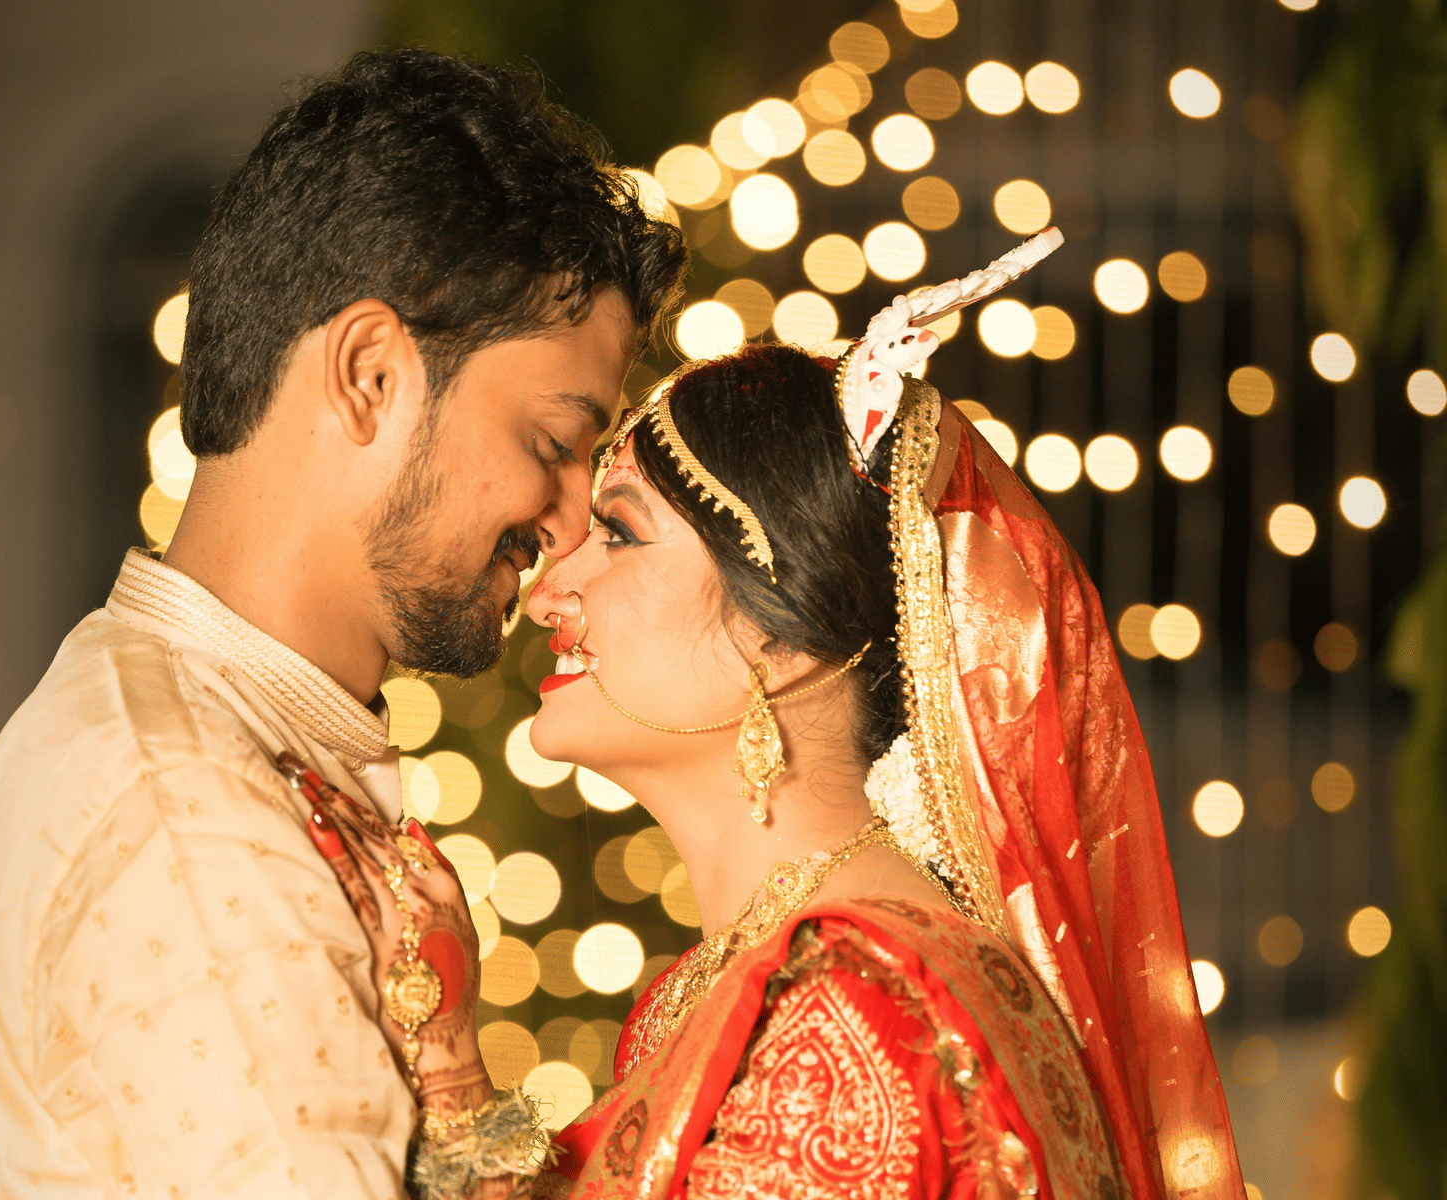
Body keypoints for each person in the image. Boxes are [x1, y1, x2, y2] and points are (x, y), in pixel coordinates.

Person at [0, 47, 686, 1199]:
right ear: (370, 374)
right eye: (550, 444)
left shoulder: (235, 740)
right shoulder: (183, 807)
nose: (571, 524)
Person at [329, 239, 1246, 1198]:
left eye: (621, 531)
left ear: (783, 637)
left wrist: (446, 1072)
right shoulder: (750, 987)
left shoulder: (866, 998)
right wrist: (442, 1048)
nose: (552, 588)